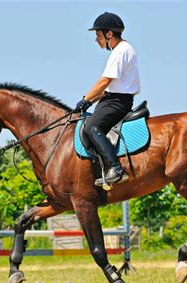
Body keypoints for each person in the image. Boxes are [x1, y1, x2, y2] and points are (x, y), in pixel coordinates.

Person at [75, 12, 140, 186]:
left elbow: (105, 81)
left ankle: (115, 169)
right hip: (112, 98)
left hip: (117, 102)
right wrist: (89, 100)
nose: (96, 40)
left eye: (98, 35)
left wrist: (86, 98)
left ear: (109, 34)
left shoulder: (120, 51)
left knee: (91, 127)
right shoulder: (121, 50)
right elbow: (109, 88)